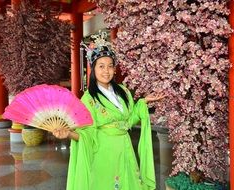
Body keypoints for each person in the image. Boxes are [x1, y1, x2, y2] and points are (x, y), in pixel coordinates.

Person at [53, 33, 165, 190]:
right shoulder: (89, 99)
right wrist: (69, 134)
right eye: (101, 66)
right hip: (103, 152)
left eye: (110, 66)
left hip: (125, 148)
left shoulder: (123, 92)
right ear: (93, 68)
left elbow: (128, 121)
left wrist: (143, 102)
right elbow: (87, 133)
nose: (106, 71)